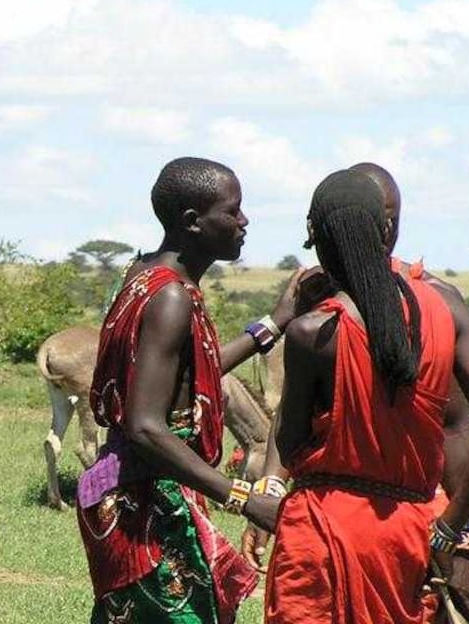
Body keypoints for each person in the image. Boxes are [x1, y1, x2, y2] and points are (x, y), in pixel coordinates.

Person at [264, 169, 469, 624]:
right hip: (412, 533)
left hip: (324, 535)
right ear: (387, 231)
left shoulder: (312, 332)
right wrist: (453, 528)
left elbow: (291, 442)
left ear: (317, 237)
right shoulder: (446, 308)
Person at [77, 156, 298, 624]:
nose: (244, 221)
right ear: (193, 222)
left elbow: (190, 372)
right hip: (150, 500)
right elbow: (144, 426)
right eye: (232, 211)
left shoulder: (143, 275)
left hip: (129, 490)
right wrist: (242, 497)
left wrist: (273, 324)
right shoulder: (172, 296)